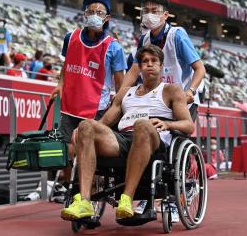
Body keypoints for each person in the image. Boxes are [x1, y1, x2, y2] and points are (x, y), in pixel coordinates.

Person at [61, 44, 194, 221]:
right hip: (123, 139)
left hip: (153, 138)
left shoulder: (172, 90)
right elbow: (103, 122)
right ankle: (85, 201)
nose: (149, 64)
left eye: (154, 61)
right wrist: (84, 131)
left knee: (142, 125)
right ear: (139, 68)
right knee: (86, 125)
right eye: (145, 61)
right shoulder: (126, 93)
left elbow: (189, 125)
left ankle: (126, 199)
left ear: (161, 66)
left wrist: (167, 124)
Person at [51, 0, 127, 145]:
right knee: (63, 151)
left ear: (107, 18)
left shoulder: (114, 47)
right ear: (85, 14)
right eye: (90, 12)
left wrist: (119, 109)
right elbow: (67, 65)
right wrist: (60, 85)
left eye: (99, 13)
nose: (94, 15)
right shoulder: (70, 37)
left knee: (87, 152)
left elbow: (120, 85)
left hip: (96, 110)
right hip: (68, 107)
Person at [122, 0, 205, 105]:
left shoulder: (177, 36)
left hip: (185, 96)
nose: (149, 15)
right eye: (146, 11)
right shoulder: (144, 39)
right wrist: (121, 93)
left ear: (165, 15)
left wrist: (191, 91)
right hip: (160, 98)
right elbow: (133, 71)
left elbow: (200, 68)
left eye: (154, 11)